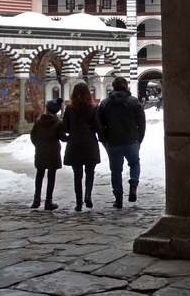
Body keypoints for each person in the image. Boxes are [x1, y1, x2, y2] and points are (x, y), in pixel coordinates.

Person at [95, 76, 146, 208]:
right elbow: (141, 122)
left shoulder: (105, 103)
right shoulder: (134, 102)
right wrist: (139, 138)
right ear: (126, 86)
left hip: (113, 142)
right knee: (134, 163)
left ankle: (118, 198)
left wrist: (104, 138)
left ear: (113, 86)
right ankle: (133, 185)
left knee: (116, 170)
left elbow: (99, 123)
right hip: (131, 140)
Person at [62, 82, 100, 211]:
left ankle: (78, 202)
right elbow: (96, 126)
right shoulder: (93, 107)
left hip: (74, 144)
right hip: (89, 143)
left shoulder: (69, 108)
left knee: (77, 175)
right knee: (90, 172)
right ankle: (88, 195)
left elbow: (65, 127)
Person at [29, 98, 64, 210]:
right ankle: (48, 201)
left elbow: (33, 136)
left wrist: (38, 145)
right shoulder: (58, 122)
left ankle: (36, 199)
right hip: (53, 151)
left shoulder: (39, 121)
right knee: (51, 176)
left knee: (39, 174)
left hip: (41, 150)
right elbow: (62, 137)